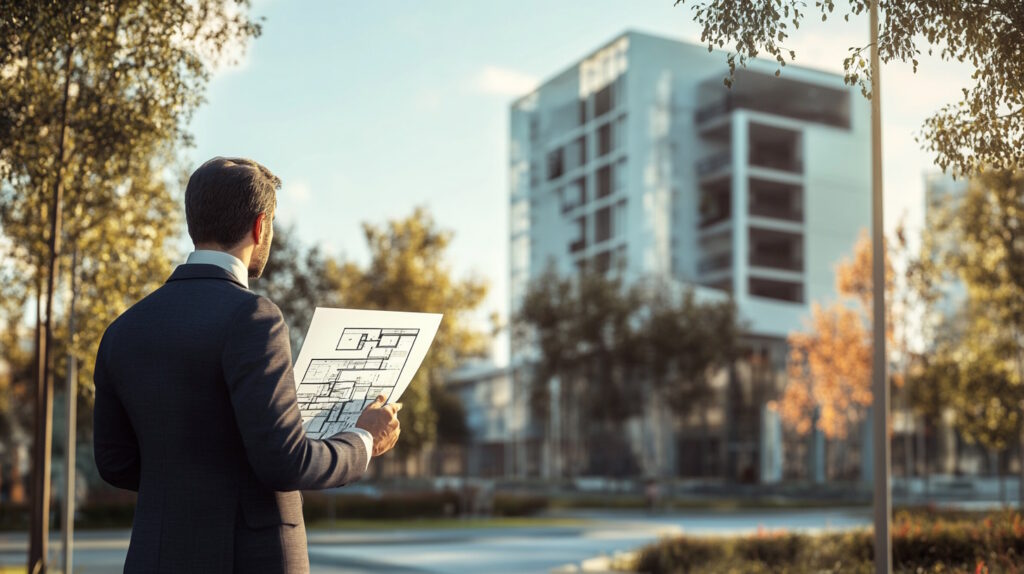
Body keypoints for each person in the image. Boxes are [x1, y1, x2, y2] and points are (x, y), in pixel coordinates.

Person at [92, 157, 401, 573]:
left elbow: (115, 463)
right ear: (260, 227)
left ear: (194, 223)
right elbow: (285, 461)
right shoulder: (254, 318)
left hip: (154, 555)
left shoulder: (122, 330)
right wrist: (365, 438)